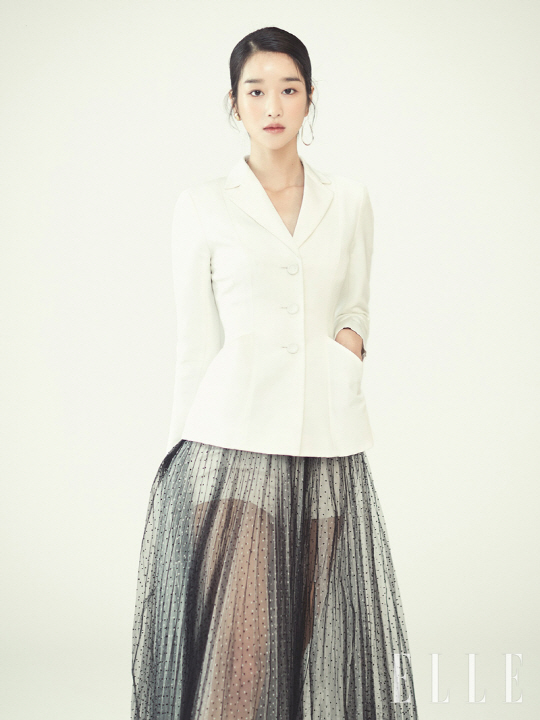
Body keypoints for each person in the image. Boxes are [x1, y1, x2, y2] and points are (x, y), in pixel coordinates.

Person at [131, 26, 419, 720]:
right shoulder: (203, 204)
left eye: (288, 89)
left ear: (310, 98)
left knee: (300, 646)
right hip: (234, 442)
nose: (272, 105)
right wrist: (176, 461)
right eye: (256, 90)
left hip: (327, 444)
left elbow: (355, 300)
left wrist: (351, 342)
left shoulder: (349, 199)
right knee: (244, 652)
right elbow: (194, 344)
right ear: (233, 102)